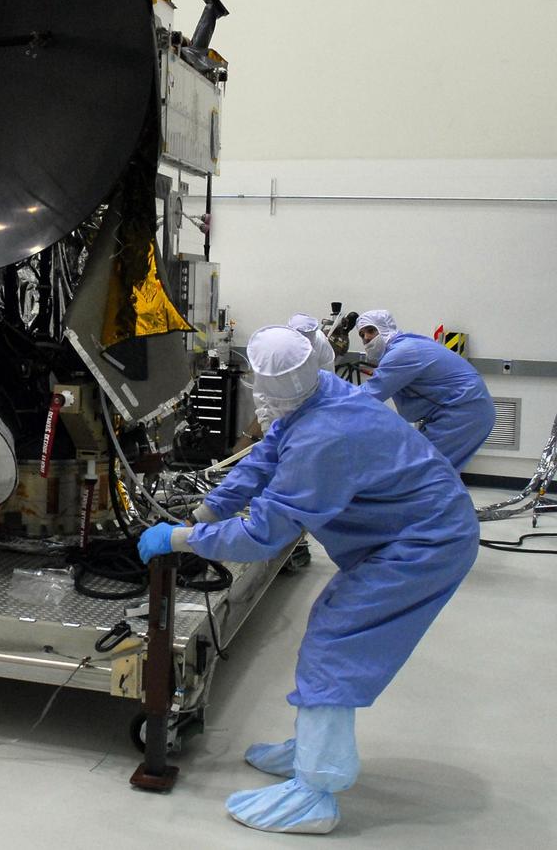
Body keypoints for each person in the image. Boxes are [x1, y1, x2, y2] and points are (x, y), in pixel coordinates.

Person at [138, 325, 478, 834]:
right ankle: (313, 745)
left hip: (424, 544)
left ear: (263, 384)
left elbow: (264, 534)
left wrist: (181, 540)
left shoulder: (325, 437)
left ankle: (316, 789)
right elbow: (264, 458)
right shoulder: (320, 394)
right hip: (409, 530)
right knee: (331, 625)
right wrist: (204, 513)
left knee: (336, 638)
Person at [357, 309, 495, 470]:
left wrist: (333, 394)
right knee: (434, 471)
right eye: (362, 334)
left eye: (371, 330)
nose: (366, 338)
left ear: (384, 328)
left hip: (463, 411)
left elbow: (368, 394)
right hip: (463, 409)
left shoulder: (401, 353)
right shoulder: (407, 345)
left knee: (423, 471)